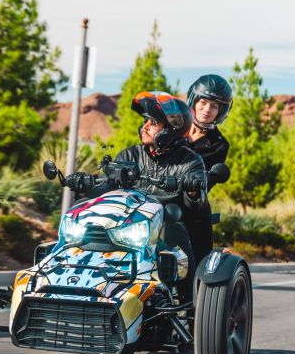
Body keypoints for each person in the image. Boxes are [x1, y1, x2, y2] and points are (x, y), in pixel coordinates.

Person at [66, 91, 207, 302]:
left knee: (178, 233)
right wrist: (86, 186)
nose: (145, 126)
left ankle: (190, 306)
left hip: (162, 226)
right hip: (125, 223)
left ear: (171, 128)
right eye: (145, 121)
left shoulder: (190, 161)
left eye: (153, 122)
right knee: (80, 212)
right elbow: (107, 186)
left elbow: (195, 205)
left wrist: (193, 188)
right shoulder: (129, 155)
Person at [183, 74, 233, 264]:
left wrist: (194, 185)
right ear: (194, 101)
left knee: (199, 252)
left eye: (214, 106)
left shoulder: (219, 145)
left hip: (190, 203)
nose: (207, 110)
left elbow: (208, 181)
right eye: (203, 103)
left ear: (221, 110)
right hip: (156, 192)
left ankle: (196, 281)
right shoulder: (173, 128)